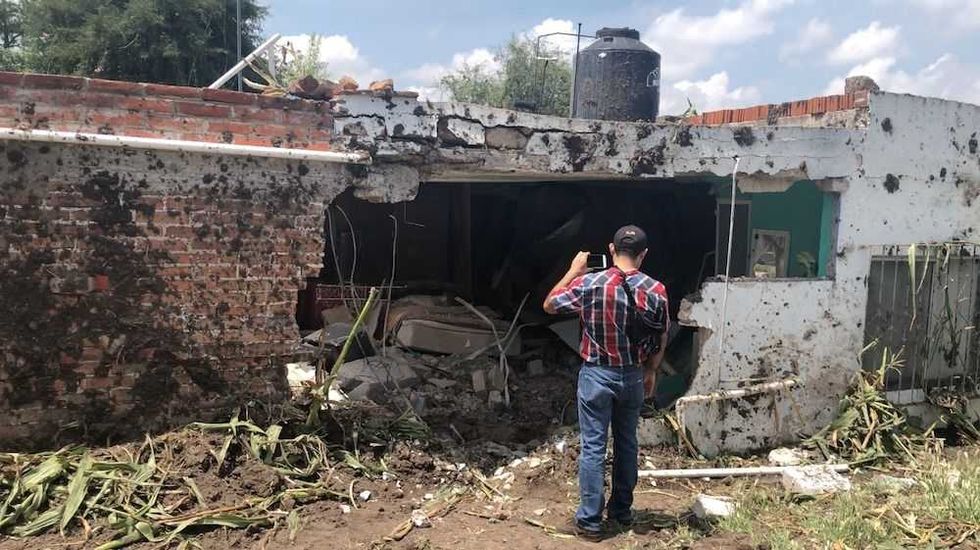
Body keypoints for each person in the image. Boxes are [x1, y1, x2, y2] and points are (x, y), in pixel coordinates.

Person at [543, 225, 668, 539]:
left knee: (594, 447)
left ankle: (589, 521)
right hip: (632, 374)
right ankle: (622, 512)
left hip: (597, 374)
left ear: (611, 251)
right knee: (627, 443)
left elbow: (549, 304)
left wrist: (573, 270)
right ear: (644, 254)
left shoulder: (590, 282)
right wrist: (651, 370)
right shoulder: (656, 290)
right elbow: (661, 333)